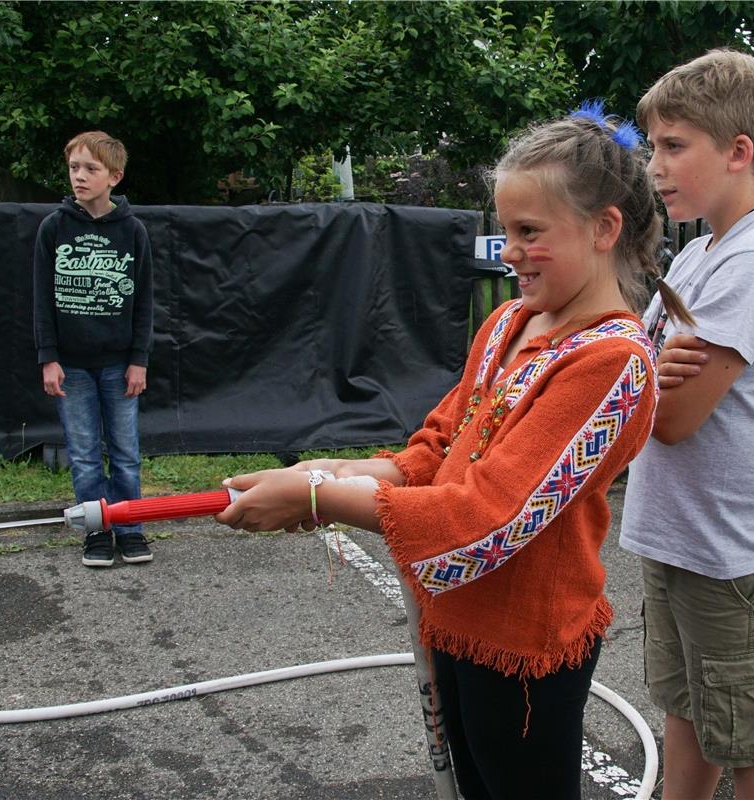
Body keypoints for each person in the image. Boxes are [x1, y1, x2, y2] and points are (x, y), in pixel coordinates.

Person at [213, 104, 686, 800]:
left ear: (603, 228)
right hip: (454, 619)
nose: (510, 251)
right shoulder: (509, 321)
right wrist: (339, 472)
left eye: (530, 232)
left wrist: (319, 499)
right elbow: (438, 446)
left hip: (523, 643)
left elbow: (492, 518)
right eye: (505, 231)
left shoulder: (613, 363)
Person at [618, 49, 754, 800]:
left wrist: (640, 373)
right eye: (652, 148)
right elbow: (639, 369)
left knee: (750, 734)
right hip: (682, 530)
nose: (655, 168)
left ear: (739, 152)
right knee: (686, 706)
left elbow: (670, 418)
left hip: (734, 549)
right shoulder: (702, 249)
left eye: (674, 147)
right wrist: (644, 367)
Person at [32, 131, 155, 568]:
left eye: (90, 169)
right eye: (74, 168)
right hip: (73, 367)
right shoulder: (54, 228)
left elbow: (144, 303)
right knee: (84, 456)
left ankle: (131, 529)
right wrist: (49, 358)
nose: (79, 177)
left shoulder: (132, 231)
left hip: (120, 364)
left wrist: (139, 361)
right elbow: (42, 301)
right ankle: (97, 534)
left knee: (125, 454)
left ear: (114, 177)